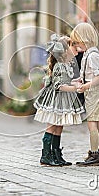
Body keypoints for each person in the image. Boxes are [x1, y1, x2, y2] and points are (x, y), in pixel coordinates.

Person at [33, 34, 85, 166]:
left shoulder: (67, 64)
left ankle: (56, 154)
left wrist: (75, 81)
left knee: (59, 126)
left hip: (63, 99)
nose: (76, 49)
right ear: (65, 50)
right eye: (73, 46)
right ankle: (45, 155)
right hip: (55, 99)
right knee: (52, 126)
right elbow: (59, 86)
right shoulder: (59, 66)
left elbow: (65, 80)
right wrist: (74, 88)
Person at [70, 22, 99, 166]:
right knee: (98, 122)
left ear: (85, 39)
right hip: (92, 90)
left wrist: (86, 85)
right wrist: (81, 80)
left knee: (92, 122)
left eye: (77, 41)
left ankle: (94, 154)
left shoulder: (93, 55)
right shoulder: (89, 53)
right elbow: (91, 73)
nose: (76, 45)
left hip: (94, 91)